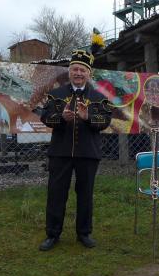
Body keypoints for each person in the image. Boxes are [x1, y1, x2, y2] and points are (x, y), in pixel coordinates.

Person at [39, 47, 112, 251]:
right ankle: (52, 234)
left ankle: (84, 233)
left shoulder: (99, 97)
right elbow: (45, 118)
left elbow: (106, 121)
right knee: (56, 194)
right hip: (60, 153)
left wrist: (88, 117)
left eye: (82, 70)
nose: (78, 73)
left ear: (89, 73)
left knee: (85, 194)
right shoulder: (55, 94)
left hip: (88, 154)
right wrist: (61, 118)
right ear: (69, 71)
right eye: (75, 69)